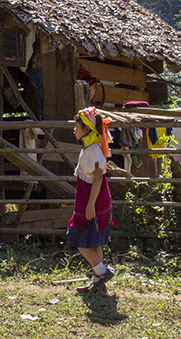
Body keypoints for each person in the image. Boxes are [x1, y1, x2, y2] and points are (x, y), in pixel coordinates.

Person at [67, 106, 115, 293]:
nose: (74, 129)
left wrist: (90, 205)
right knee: (95, 242)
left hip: (92, 200)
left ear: (86, 129)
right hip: (92, 199)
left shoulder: (94, 150)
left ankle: (102, 271)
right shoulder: (90, 148)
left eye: (76, 126)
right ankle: (97, 282)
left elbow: (98, 179)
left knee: (78, 238)